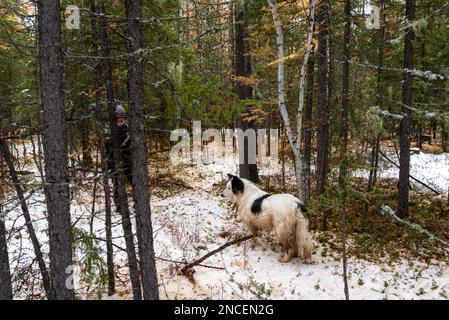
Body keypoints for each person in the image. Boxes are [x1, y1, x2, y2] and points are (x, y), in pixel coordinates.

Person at [106, 104, 133, 186]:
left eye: (122, 119)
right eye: (118, 119)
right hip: (114, 162)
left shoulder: (127, 129)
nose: (120, 122)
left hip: (127, 161)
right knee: (117, 185)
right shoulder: (109, 130)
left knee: (133, 180)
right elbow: (106, 148)